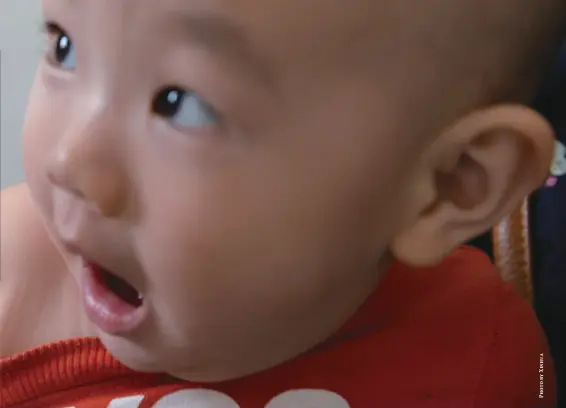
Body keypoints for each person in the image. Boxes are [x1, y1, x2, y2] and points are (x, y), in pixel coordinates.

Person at [1, 0, 564, 406]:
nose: (70, 161)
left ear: (451, 184)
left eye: (181, 103)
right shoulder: (14, 277)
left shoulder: (492, 365)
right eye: (64, 47)